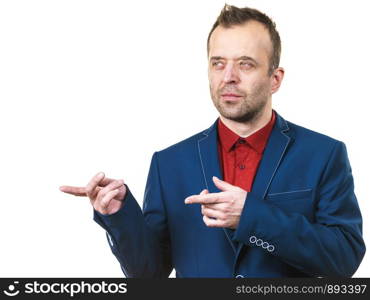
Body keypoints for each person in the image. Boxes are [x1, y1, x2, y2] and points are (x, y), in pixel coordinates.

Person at [60, 4, 365, 277]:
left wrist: (252, 217)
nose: (228, 76)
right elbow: (149, 275)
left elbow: (344, 260)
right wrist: (120, 216)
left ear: (276, 79)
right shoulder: (169, 164)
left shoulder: (324, 154)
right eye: (218, 63)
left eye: (245, 64)